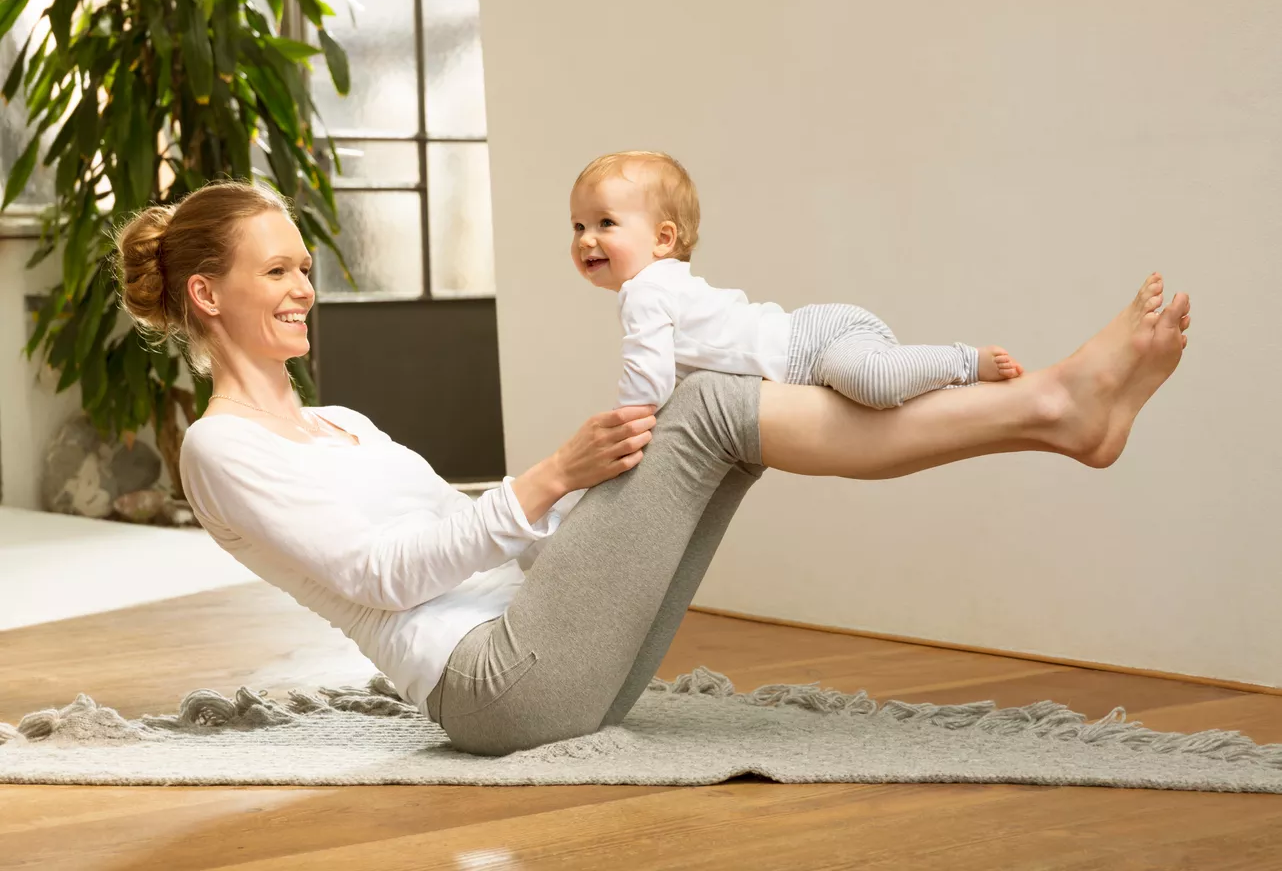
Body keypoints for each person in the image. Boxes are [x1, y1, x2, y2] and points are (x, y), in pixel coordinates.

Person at [117, 179, 1190, 757]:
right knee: (713, 403)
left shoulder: (342, 421)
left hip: (551, 646)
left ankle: (1052, 416)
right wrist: (547, 477)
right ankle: (1050, 403)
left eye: (306, 266)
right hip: (496, 688)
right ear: (208, 295)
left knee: (717, 418)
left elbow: (485, 532)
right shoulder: (221, 449)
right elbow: (384, 576)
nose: (305, 286)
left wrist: (571, 484)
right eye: (278, 270)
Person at [571, 150, 1027, 411]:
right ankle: (946, 380)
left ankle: (965, 362)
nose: (587, 239)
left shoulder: (644, 292)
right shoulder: (665, 285)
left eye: (605, 223)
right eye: (578, 227)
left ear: (662, 238)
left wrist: (622, 424)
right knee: (880, 402)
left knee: (874, 385)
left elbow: (647, 383)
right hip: (815, 339)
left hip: (813, 345)